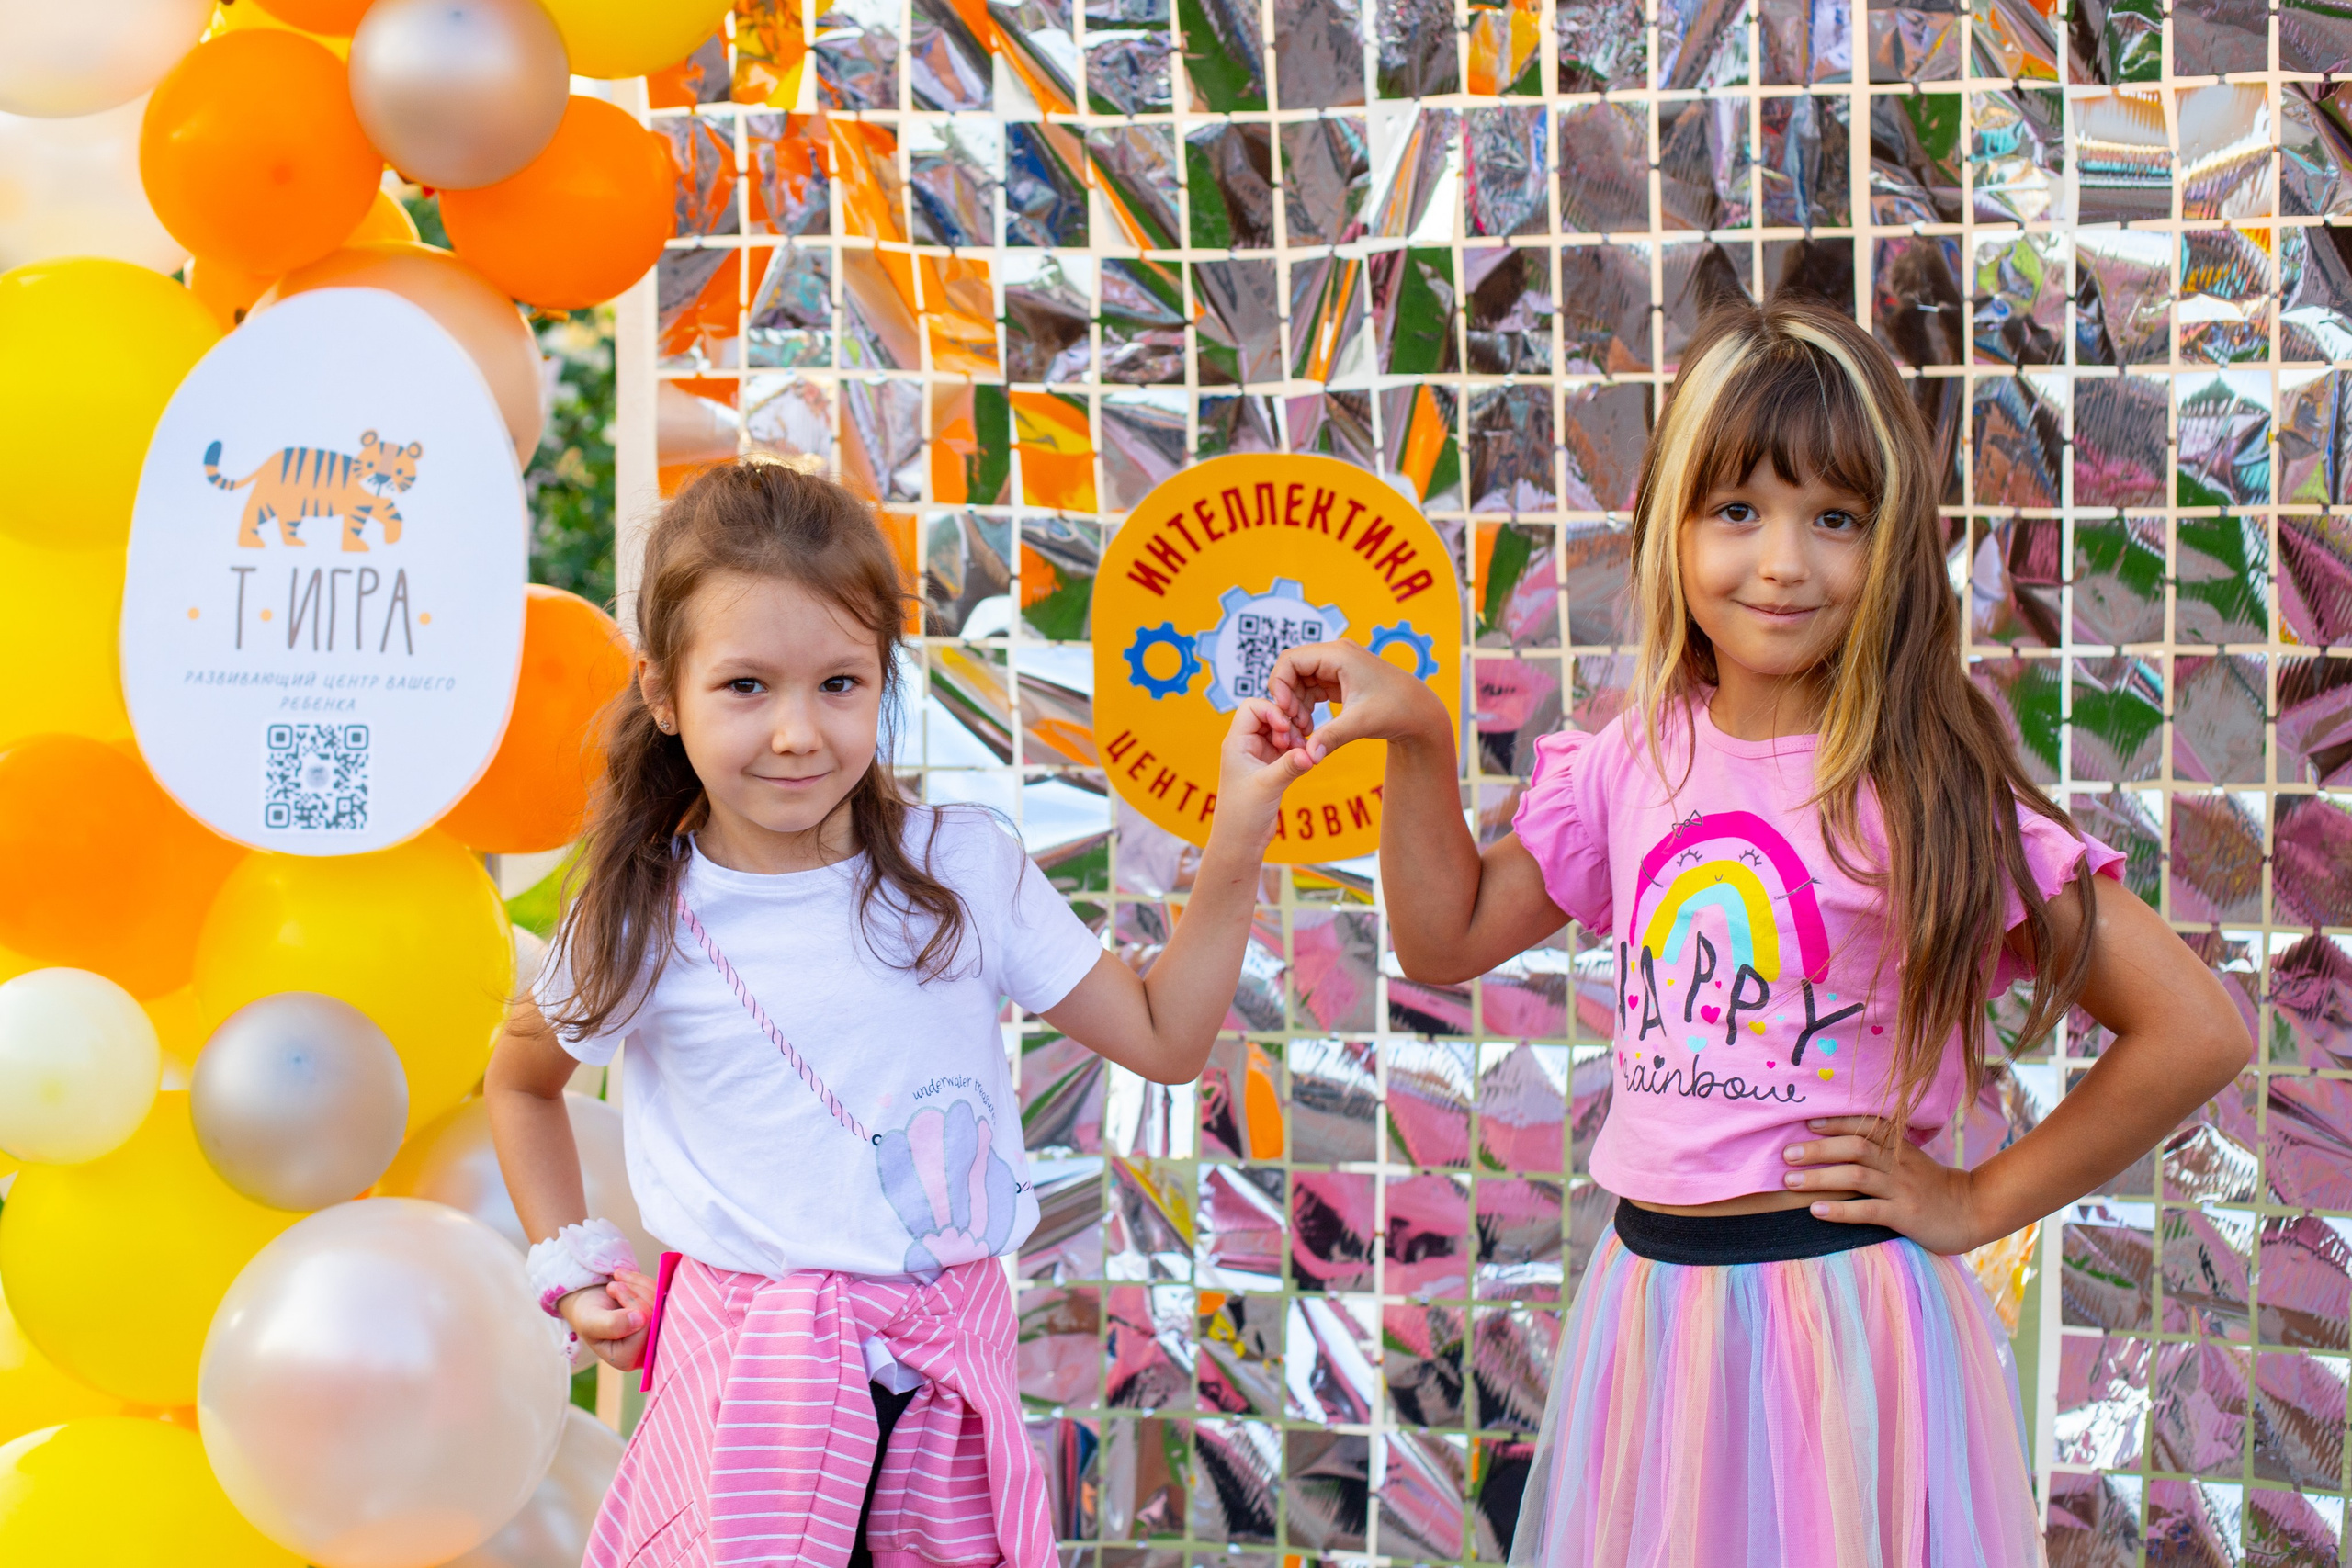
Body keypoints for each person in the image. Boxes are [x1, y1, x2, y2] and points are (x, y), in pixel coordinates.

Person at [1257, 296, 2253, 1563]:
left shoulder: (1923, 783)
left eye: (1833, 517)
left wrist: (1976, 1197)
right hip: (1654, 1321)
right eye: (1738, 510)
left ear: (1892, 543)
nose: (1783, 562)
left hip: (1846, 1325)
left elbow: (2195, 1026)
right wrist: (1419, 739)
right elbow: (1444, 939)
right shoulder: (1632, 759)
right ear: (1668, 526)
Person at [485, 458, 1313, 1568]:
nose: (797, 732)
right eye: (745, 687)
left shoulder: (961, 870)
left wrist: (1241, 828)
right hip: (745, 1408)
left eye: (840, 684)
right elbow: (521, 1080)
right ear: (661, 692)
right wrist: (573, 1267)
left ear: (883, 680)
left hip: (940, 1400)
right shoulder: (642, 908)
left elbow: (1166, 1039)